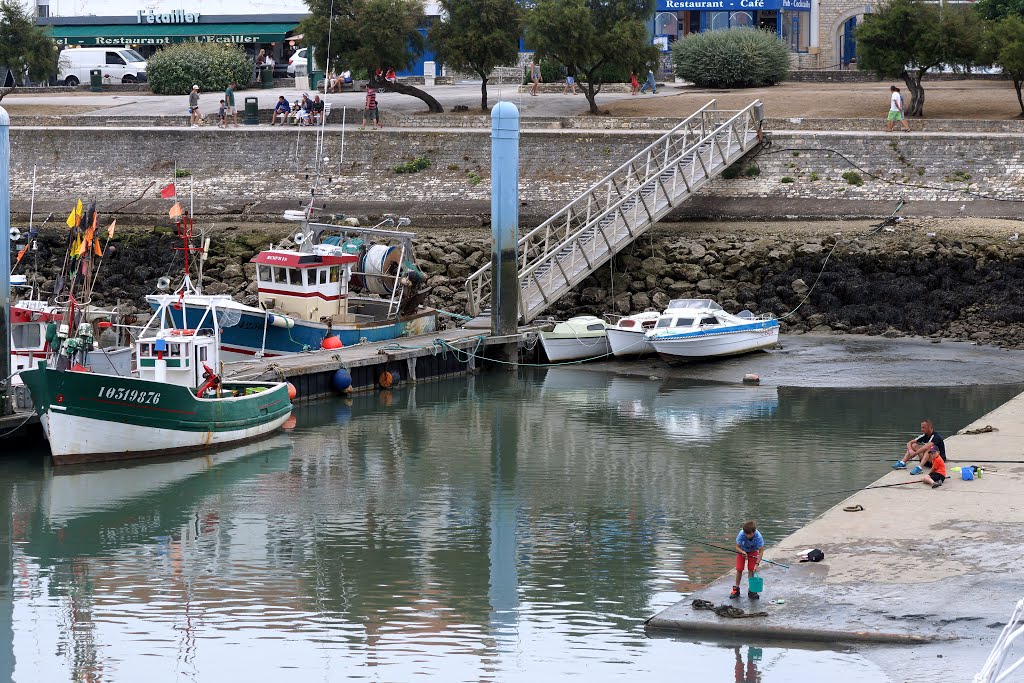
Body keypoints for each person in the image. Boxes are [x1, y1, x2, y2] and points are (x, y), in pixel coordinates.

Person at [730, 520, 763, 600]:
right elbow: (737, 547)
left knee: (751, 569)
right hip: (742, 550)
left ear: (754, 532)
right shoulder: (741, 534)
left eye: (750, 534)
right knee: (739, 569)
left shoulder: (758, 536)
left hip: (753, 551)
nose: (748, 535)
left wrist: (757, 564)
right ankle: (736, 588)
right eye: (746, 534)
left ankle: (751, 590)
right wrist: (742, 552)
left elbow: (761, 552)